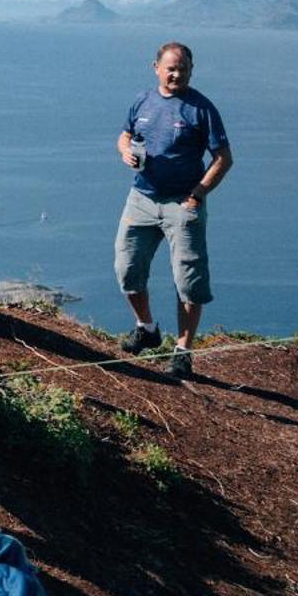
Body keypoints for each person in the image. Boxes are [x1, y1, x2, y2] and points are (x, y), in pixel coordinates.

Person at [114, 41, 233, 378]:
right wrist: (125, 152)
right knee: (127, 268)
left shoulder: (201, 108)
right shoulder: (142, 101)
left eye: (183, 68)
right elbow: (124, 136)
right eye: (170, 67)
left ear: (191, 71)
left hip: (183, 203)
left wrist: (198, 193)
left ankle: (183, 350)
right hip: (142, 198)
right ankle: (146, 328)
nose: (176, 73)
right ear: (156, 68)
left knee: (189, 281)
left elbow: (224, 158)